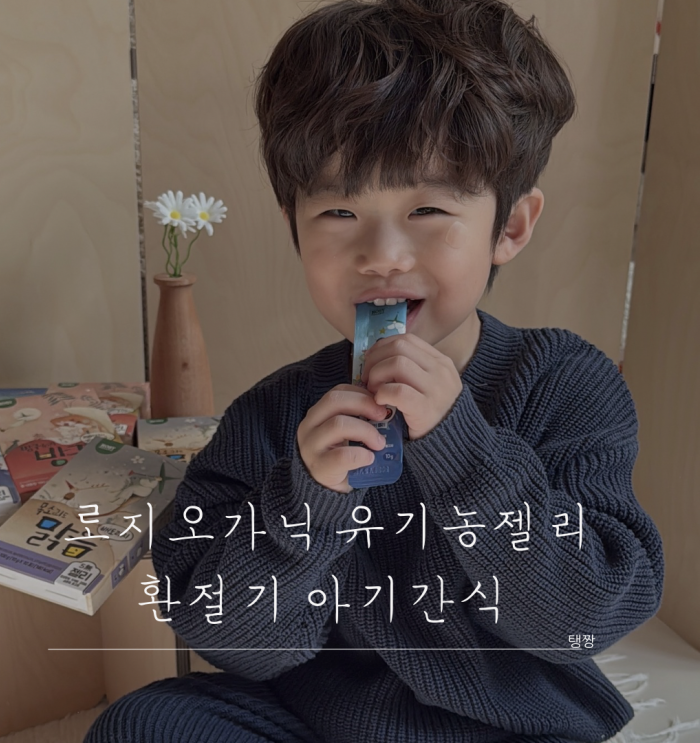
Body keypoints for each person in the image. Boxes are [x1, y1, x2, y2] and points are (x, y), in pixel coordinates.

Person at [84, 0, 664, 741]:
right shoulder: (272, 412)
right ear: (295, 228)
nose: (382, 255)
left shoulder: (562, 382)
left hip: (508, 723)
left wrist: (463, 455)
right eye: (338, 213)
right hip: (314, 716)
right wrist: (308, 499)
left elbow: (584, 618)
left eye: (428, 210)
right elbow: (226, 637)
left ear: (509, 227)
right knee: (144, 723)